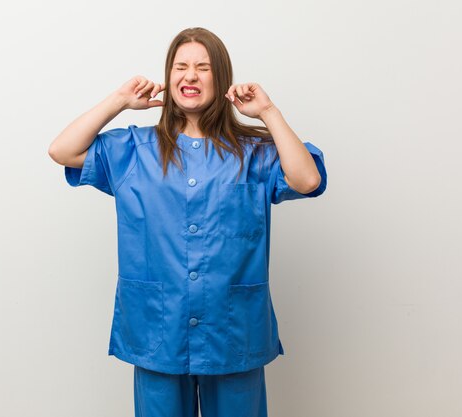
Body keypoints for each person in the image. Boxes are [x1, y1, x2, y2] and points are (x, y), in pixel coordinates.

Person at [48, 27, 327, 417]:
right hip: (158, 329)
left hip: (232, 331)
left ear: (222, 79)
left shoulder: (255, 152)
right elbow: (62, 150)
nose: (190, 76)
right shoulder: (133, 150)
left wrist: (268, 112)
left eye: (203, 67)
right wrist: (119, 101)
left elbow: (307, 179)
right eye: (180, 67)